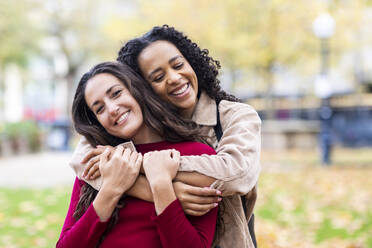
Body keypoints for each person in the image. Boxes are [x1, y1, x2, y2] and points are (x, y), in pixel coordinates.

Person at [71, 25, 261, 247]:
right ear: (142, 88)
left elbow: (237, 173)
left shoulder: (233, 115)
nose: (174, 77)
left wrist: (145, 166)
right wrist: (166, 191)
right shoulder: (124, 126)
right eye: (158, 76)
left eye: (178, 65)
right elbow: (81, 159)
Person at [57, 62, 218, 248]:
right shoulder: (99, 163)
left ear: (137, 90)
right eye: (99, 109)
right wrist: (110, 190)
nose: (112, 109)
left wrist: (161, 185)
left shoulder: (198, 154)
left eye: (116, 93)